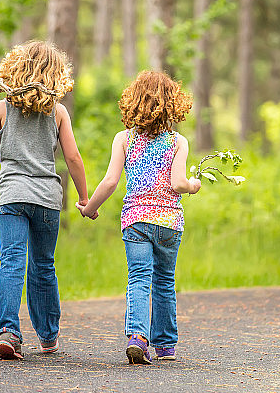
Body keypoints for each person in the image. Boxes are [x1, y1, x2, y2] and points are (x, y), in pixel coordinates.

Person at [0, 40, 89, 360]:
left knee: (11, 262)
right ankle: (48, 336)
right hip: (47, 199)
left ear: (14, 69)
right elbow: (73, 158)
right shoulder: (58, 112)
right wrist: (84, 198)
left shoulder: (1, 108)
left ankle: (8, 332)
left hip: (11, 197)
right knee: (43, 265)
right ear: (55, 75)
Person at [77, 70, 201, 364]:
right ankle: (166, 346)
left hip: (136, 221)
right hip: (169, 223)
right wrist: (193, 185)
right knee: (165, 280)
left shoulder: (124, 139)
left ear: (133, 101)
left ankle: (137, 337)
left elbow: (110, 181)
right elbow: (178, 184)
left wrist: (90, 208)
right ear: (172, 104)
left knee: (139, 277)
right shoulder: (178, 142)